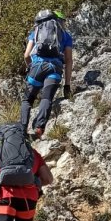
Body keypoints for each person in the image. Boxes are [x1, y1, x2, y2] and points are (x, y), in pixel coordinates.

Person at [20, 9, 73, 140]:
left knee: (27, 100)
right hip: (54, 69)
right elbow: (68, 60)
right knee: (46, 98)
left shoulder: (36, 32)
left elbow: (26, 55)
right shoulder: (66, 36)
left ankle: (22, 130)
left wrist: (30, 67)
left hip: (37, 67)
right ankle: (39, 128)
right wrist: (67, 85)